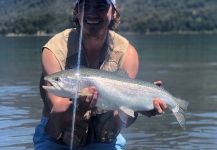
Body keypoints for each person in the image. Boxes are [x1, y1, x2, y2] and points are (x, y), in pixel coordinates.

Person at [33, 0, 167, 150]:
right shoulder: (54, 50)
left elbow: (123, 120)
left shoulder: (127, 53)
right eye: (86, 5)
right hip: (56, 141)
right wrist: (78, 108)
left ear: (114, 12)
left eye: (100, 6)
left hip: (105, 142)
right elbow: (57, 114)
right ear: (77, 11)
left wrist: (140, 107)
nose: (92, 12)